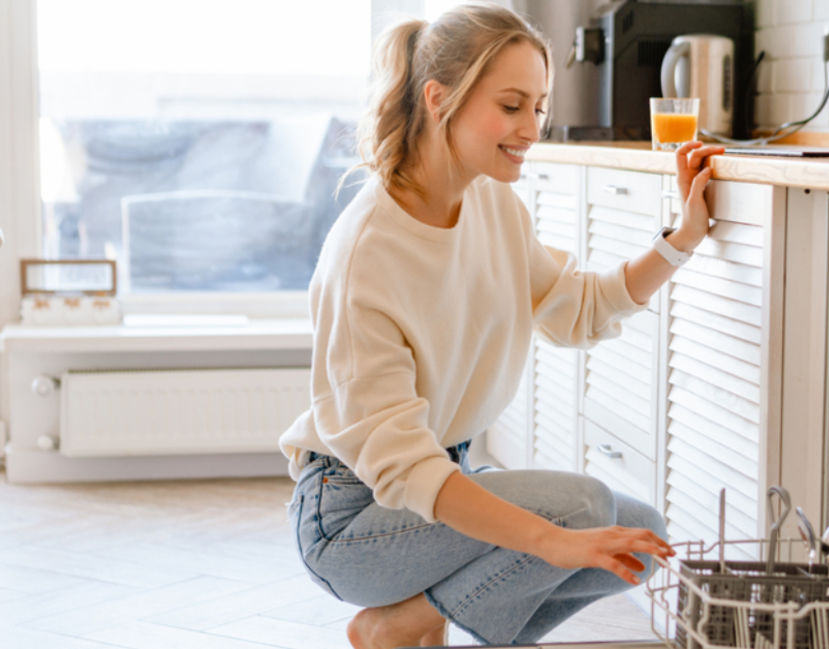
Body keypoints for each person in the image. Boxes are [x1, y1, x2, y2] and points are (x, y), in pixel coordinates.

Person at [279, 4, 726, 648]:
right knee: (579, 516)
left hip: (439, 478)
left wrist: (683, 238)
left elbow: (578, 308)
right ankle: (395, 626)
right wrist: (554, 542)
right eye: (512, 105)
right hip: (352, 518)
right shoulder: (367, 254)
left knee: (640, 541)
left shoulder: (492, 203)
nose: (532, 128)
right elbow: (405, 470)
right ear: (440, 99)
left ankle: (430, 624)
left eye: (539, 107)